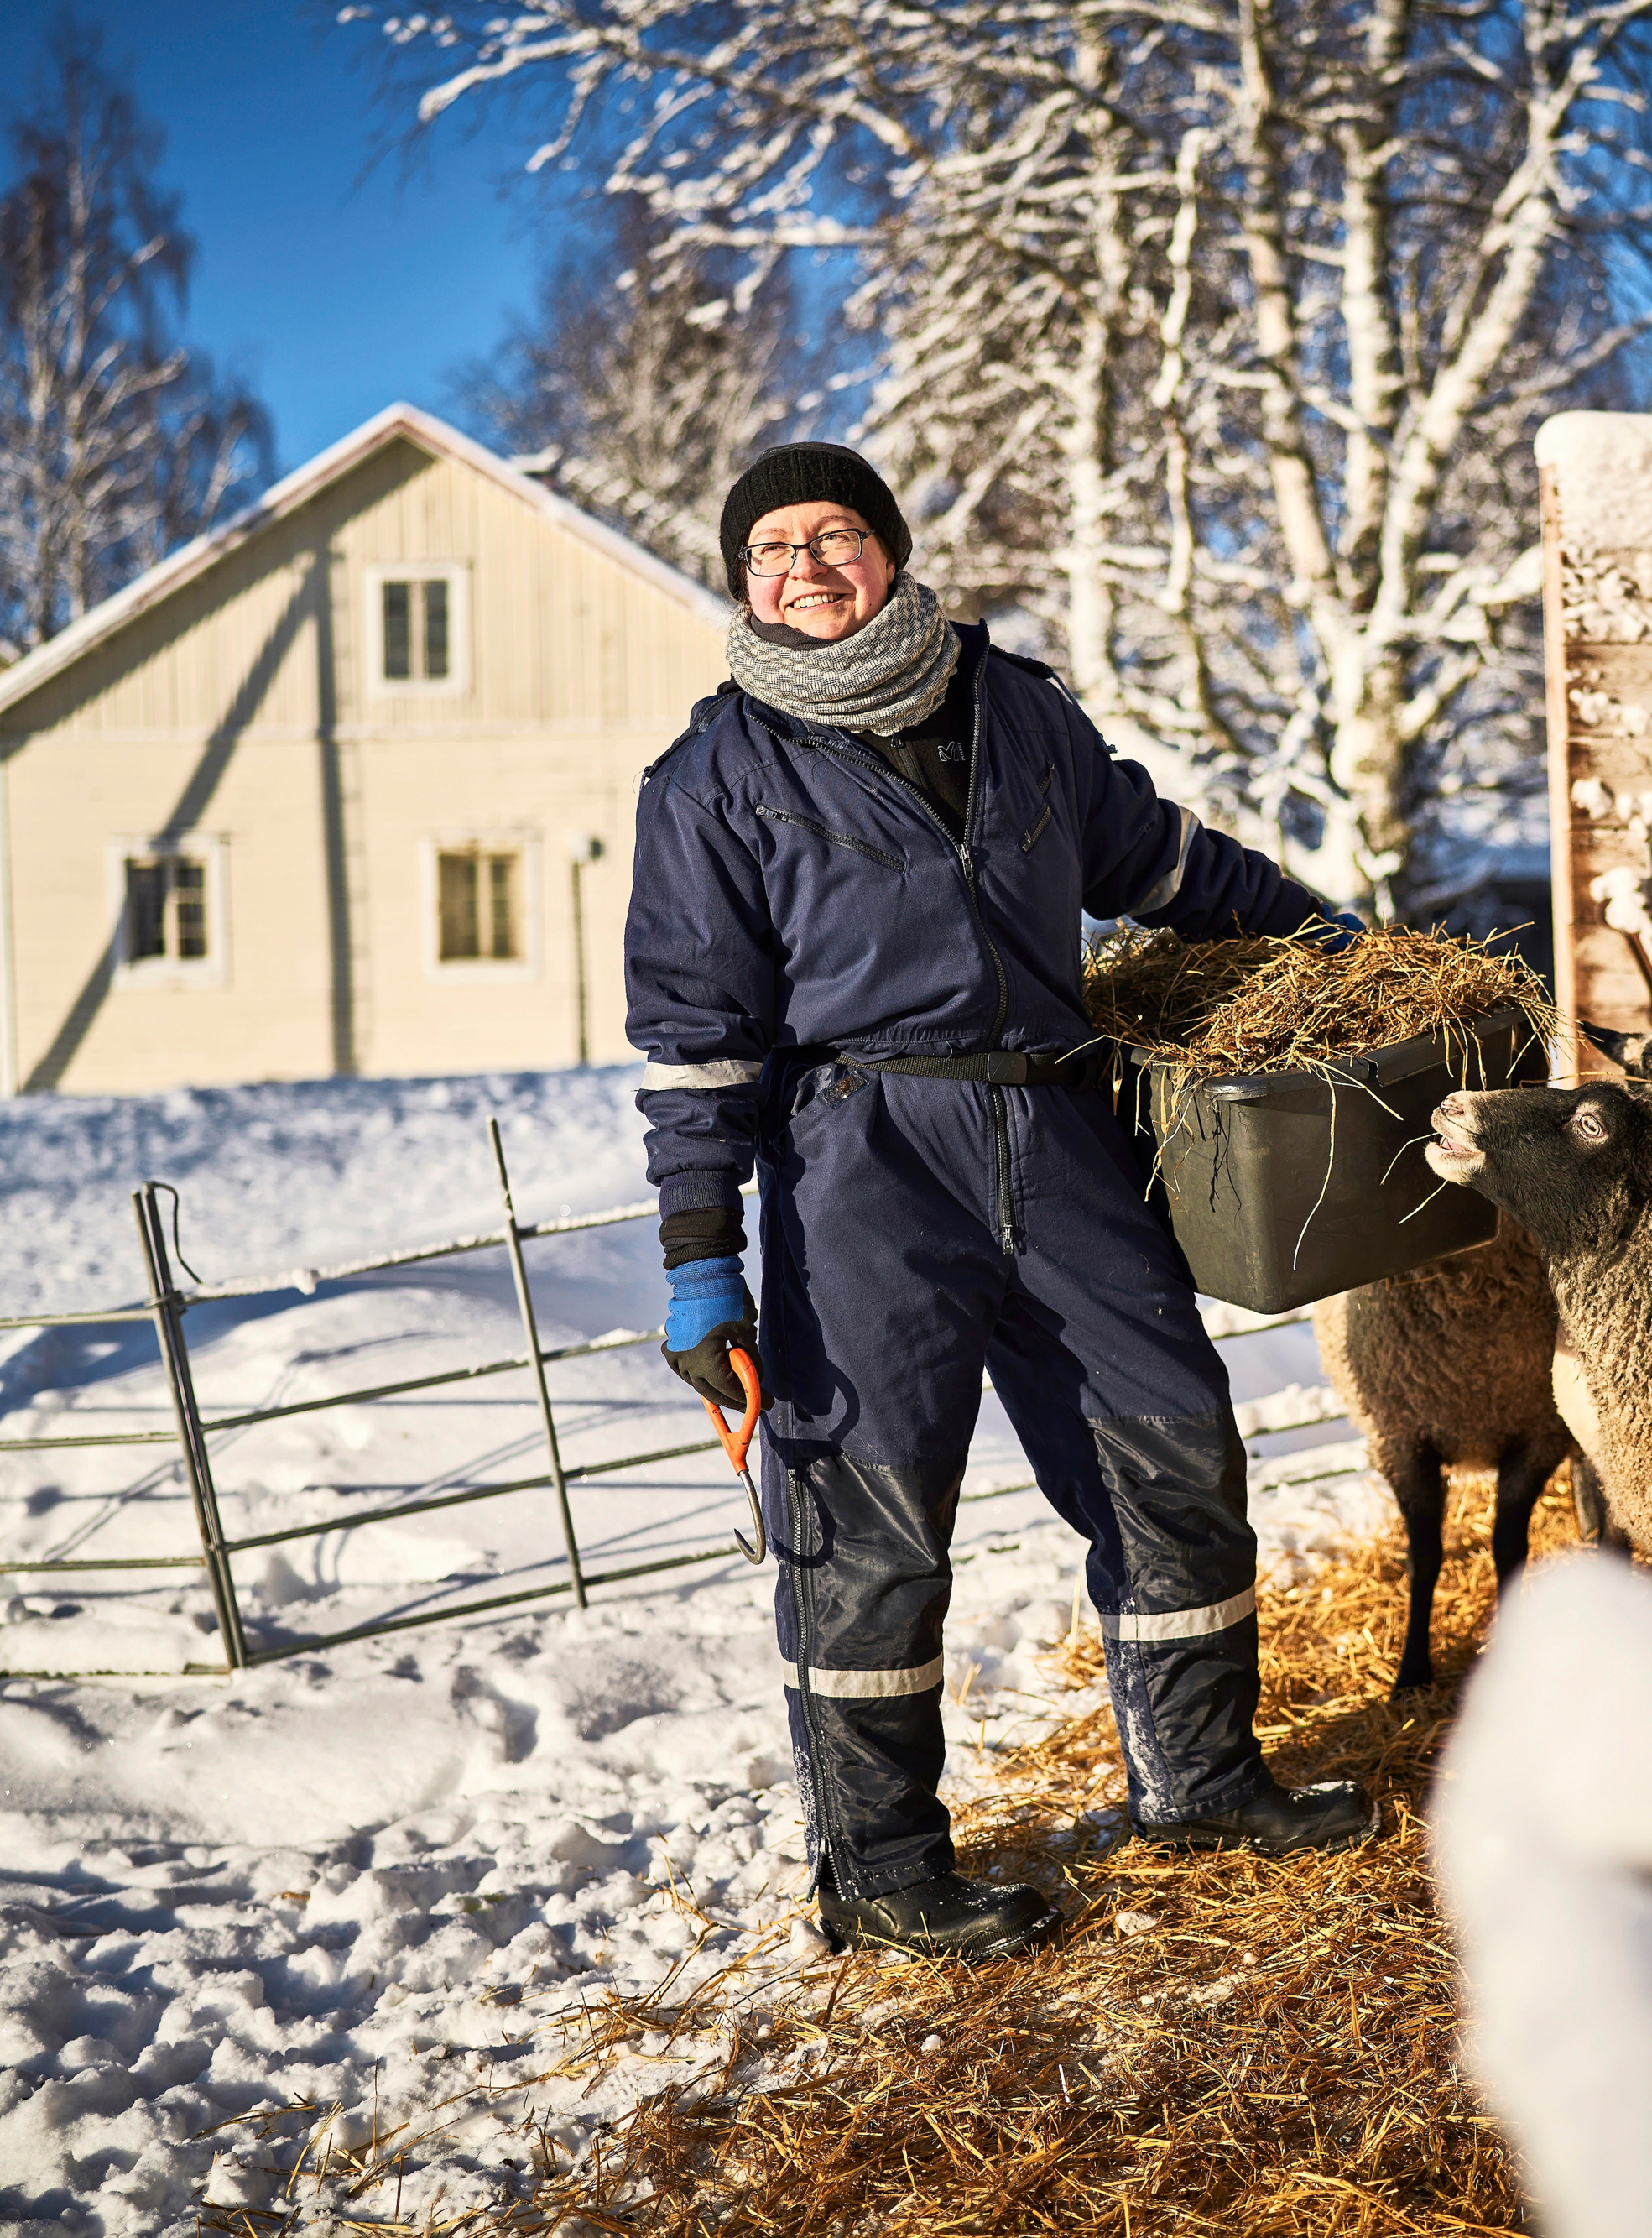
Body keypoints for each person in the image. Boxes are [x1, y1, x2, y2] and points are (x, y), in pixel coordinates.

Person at [627, 441, 1372, 1962]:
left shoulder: (1019, 711)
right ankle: (885, 1871)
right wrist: (704, 1257)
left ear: (891, 552)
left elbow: (1159, 862)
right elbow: (699, 1041)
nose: (807, 567)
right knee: (871, 1518)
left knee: (1173, 1441)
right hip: (865, 1164)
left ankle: (1204, 1781)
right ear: (743, 586)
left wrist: (1330, 939)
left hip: (1059, 1118)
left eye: (836, 534)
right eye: (771, 551)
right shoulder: (713, 777)